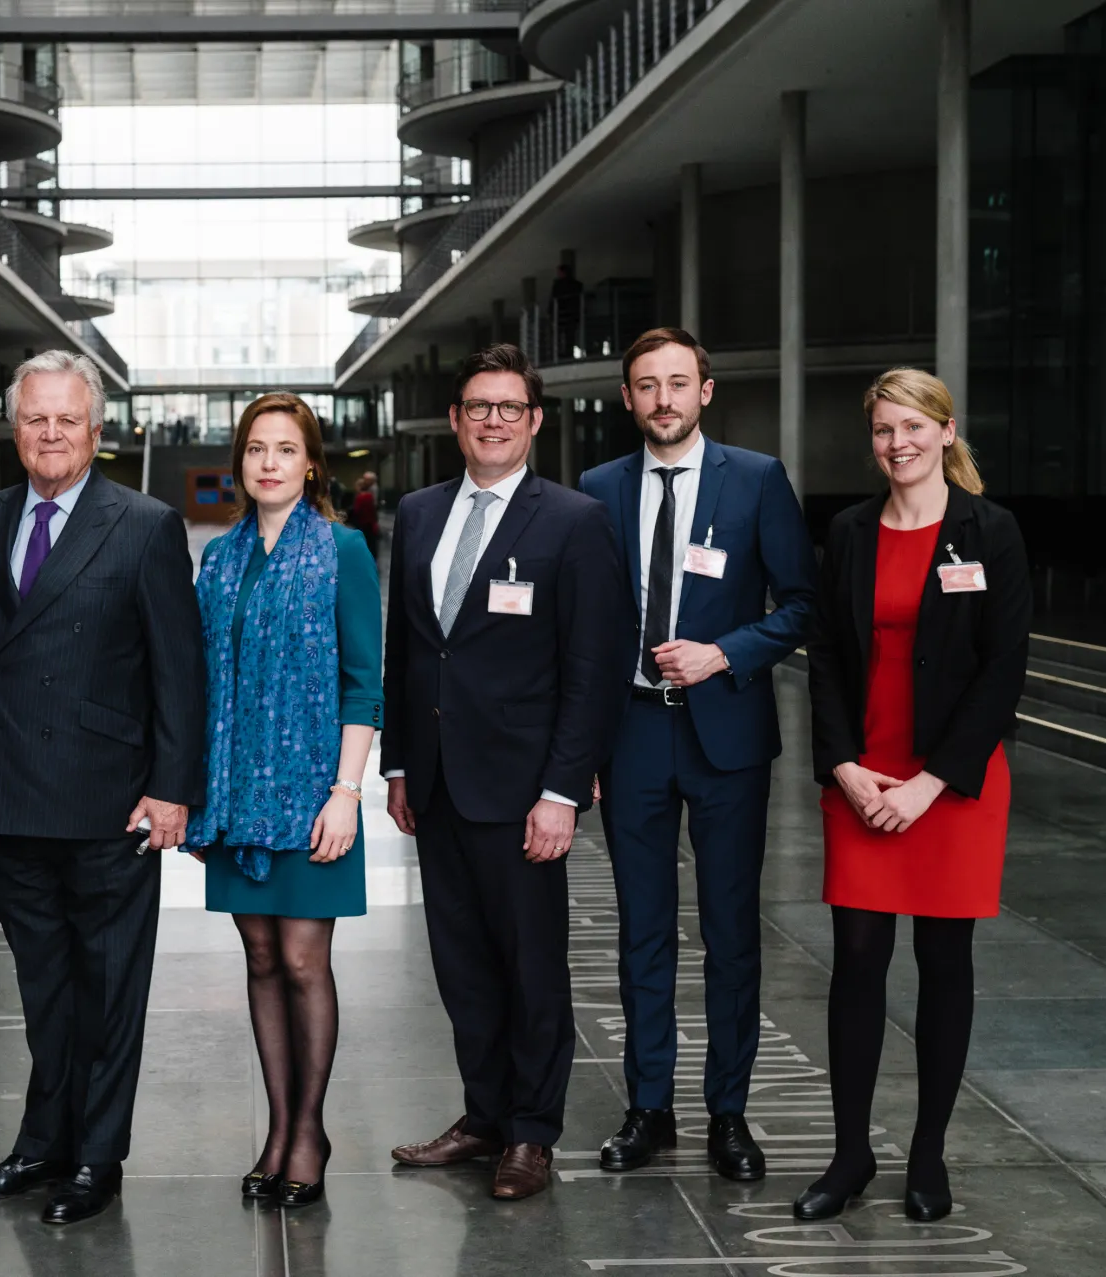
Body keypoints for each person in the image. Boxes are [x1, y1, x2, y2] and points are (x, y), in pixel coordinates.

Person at [0, 350, 207, 1226]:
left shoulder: (143, 523)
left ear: (97, 433)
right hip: (14, 794)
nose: (51, 433)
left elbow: (180, 669)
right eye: (36, 419)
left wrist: (173, 788)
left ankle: (97, 1157)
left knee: (108, 989)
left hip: (112, 798)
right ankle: (42, 1143)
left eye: (67, 419)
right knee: (43, 986)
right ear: (14, 429)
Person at [382, 343, 634, 1201]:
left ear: (533, 421)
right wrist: (401, 762)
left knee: (531, 965)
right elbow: (409, 650)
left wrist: (564, 789)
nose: (493, 419)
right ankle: (483, 1115)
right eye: (477, 405)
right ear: (455, 419)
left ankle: (532, 1131)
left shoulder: (573, 519)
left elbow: (593, 667)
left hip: (526, 787)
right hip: (441, 781)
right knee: (461, 961)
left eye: (509, 407)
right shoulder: (417, 513)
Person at [578, 328, 817, 1180]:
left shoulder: (755, 479)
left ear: (705, 392)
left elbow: (800, 605)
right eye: (648, 386)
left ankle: (729, 1111)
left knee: (730, 931)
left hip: (727, 733)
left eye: (679, 383)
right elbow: (586, 627)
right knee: (642, 930)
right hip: (632, 733)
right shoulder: (597, 490)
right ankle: (649, 1107)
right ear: (629, 399)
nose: (664, 400)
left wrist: (726, 652)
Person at [799, 368, 1030, 1224]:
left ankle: (927, 1152)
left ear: (944, 430)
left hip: (953, 785)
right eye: (883, 430)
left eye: (912, 427)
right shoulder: (852, 531)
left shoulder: (989, 531)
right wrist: (846, 767)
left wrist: (933, 783)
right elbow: (824, 653)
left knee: (944, 963)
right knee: (857, 960)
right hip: (863, 777)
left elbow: (1005, 668)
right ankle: (850, 1151)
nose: (898, 444)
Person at [189, 393, 382, 1209]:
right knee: (261, 959)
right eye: (256, 448)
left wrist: (346, 794)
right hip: (237, 794)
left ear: (311, 463)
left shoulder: (342, 550)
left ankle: (310, 1129)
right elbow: (203, 680)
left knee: (305, 960)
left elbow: (364, 681)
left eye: (285, 448)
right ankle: (277, 1127)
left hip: (312, 797)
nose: (269, 461)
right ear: (240, 463)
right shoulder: (220, 560)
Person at [349, 471, 381, 561]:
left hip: (363, 522)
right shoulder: (369, 495)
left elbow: (357, 510)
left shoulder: (362, 497)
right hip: (369, 522)